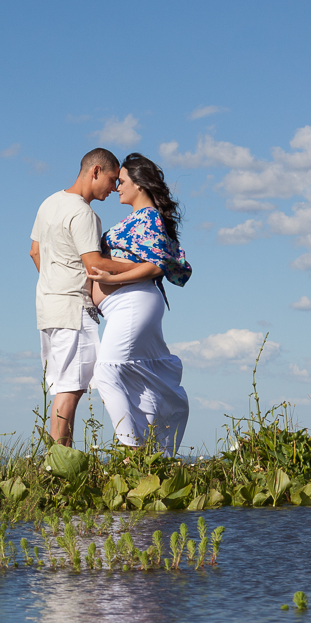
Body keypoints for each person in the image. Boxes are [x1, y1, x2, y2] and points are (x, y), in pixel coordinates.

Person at [86, 153, 192, 456]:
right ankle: (154, 454)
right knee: (141, 378)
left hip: (135, 302)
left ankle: (131, 451)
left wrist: (110, 275)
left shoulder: (150, 218)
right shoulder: (136, 219)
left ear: (139, 184)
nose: (117, 187)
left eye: (121, 182)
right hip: (126, 305)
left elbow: (156, 266)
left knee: (107, 371)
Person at [30, 148, 135, 447]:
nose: (114, 188)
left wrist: (55, 282)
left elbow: (35, 252)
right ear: (96, 171)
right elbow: (94, 264)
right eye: (113, 179)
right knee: (70, 389)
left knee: (64, 386)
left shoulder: (49, 203)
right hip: (73, 309)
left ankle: (57, 461)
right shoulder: (83, 213)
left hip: (49, 306)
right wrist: (143, 267)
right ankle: (59, 465)